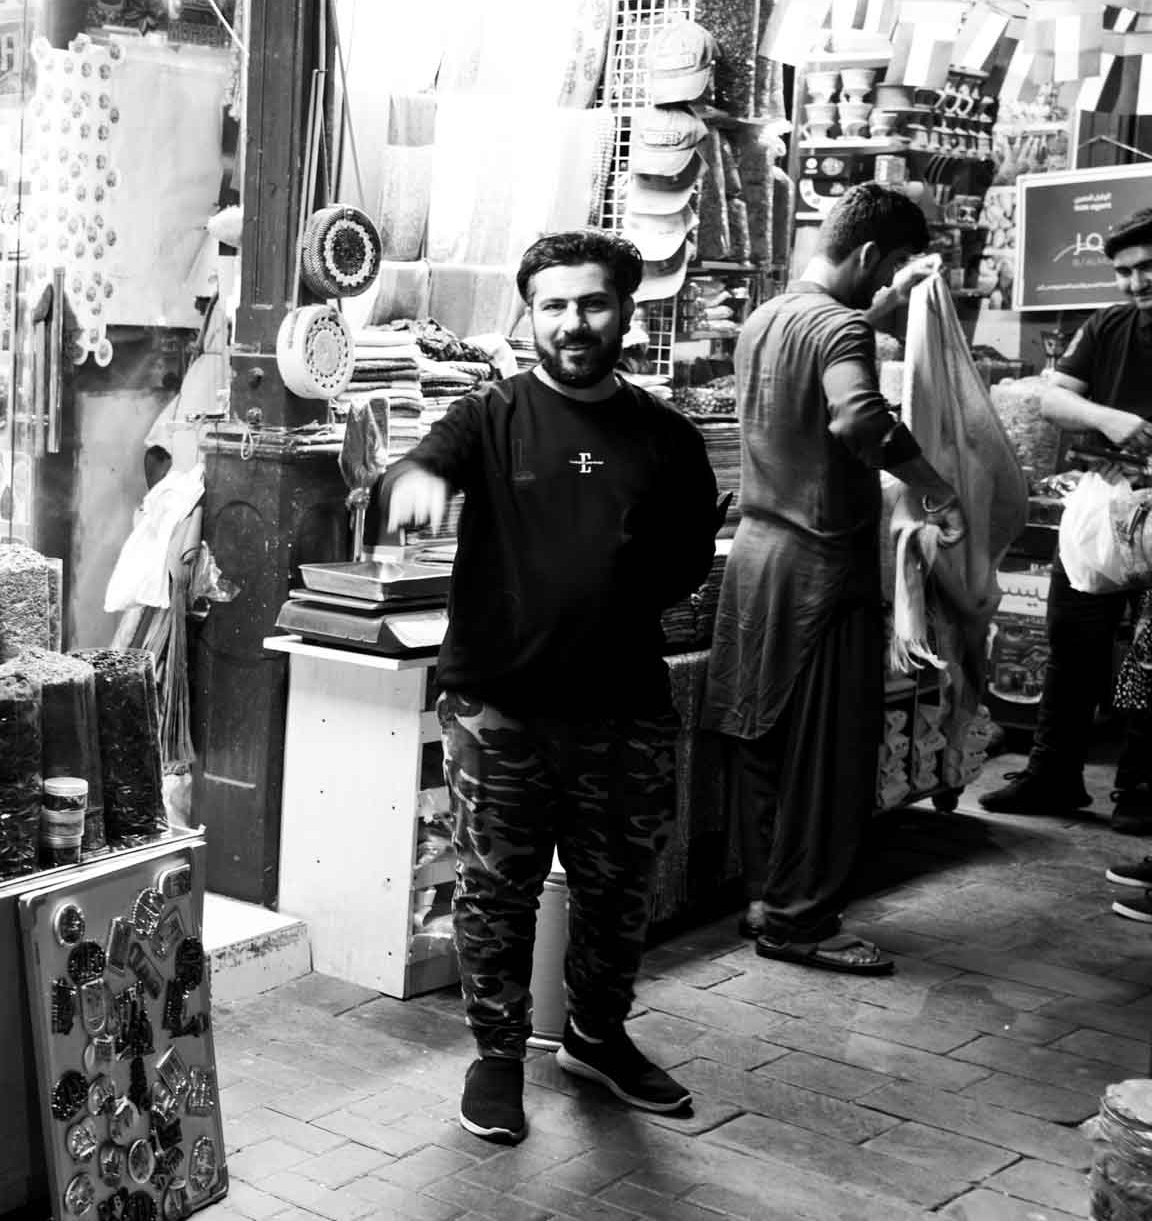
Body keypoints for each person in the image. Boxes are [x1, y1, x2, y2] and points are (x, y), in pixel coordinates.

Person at [383, 229, 718, 1144]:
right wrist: (411, 482)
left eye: (593, 303)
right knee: (497, 889)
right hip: (500, 707)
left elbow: (688, 557)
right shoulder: (489, 419)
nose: (574, 322)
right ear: (530, 313)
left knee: (619, 889)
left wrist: (605, 598)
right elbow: (418, 466)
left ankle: (596, 1038)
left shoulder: (667, 438)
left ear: (625, 312)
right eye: (556, 305)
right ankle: (496, 1058)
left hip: (624, 705)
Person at [702, 183, 964, 977]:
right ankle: (802, 923)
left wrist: (881, 315)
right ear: (870, 256)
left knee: (764, 736)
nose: (886, 292)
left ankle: (765, 898)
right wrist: (933, 483)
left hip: (756, 557)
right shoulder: (843, 328)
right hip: (821, 567)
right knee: (828, 754)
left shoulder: (768, 318)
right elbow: (859, 418)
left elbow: (828, 350)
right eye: (889, 276)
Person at [973, 206, 1152, 836]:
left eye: (1148, 266)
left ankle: (1141, 787)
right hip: (1106, 504)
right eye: (1126, 272)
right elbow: (1051, 397)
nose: (1136, 283)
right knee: (1072, 641)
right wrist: (1108, 419)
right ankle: (1054, 773)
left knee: (1148, 657)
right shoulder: (1108, 324)